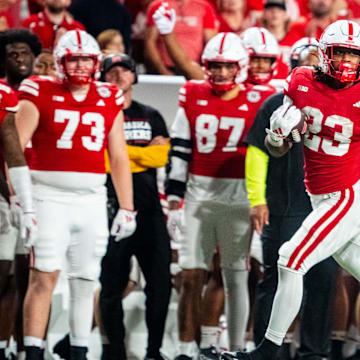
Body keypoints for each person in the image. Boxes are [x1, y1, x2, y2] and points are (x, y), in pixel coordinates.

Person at [220, 19, 360, 360]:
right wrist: (276, 136)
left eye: (354, 55)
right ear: (324, 52)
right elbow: (279, 149)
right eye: (340, 52)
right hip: (319, 195)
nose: (346, 62)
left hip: (345, 193)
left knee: (291, 259)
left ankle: (269, 349)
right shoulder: (301, 81)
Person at [15, 29, 136, 360]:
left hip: (92, 199)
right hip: (47, 196)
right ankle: (34, 352)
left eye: (86, 59)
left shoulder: (109, 95)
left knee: (86, 280)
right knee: (44, 277)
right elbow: (14, 150)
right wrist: (19, 199)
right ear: (59, 62)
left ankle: (80, 350)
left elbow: (119, 155)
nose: (81, 66)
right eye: (74, 59)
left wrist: (128, 207)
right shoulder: (37, 90)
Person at [166, 32, 276, 360]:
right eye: (215, 66)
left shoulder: (261, 98)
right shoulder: (192, 92)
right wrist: (173, 200)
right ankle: (188, 350)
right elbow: (180, 149)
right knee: (190, 274)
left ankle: (237, 349)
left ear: (240, 67)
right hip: (199, 196)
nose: (221, 73)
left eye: (228, 66)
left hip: (240, 196)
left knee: (235, 273)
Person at [244, 37, 338, 360]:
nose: (312, 69)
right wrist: (257, 198)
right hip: (284, 204)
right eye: (306, 62)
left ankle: (313, 351)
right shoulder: (276, 103)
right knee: (277, 276)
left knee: (323, 279)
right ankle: (270, 349)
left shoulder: (340, 101)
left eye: (317, 61)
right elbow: (260, 152)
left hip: (326, 204)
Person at [98, 52, 172, 360]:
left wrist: (120, 154)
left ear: (134, 76)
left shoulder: (151, 113)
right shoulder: (99, 112)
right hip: (110, 208)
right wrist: (140, 153)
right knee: (110, 285)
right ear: (102, 77)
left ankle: (154, 351)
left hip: (150, 211)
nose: (117, 75)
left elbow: (161, 157)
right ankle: (113, 350)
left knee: (160, 284)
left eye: (124, 70)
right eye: (111, 70)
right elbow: (101, 160)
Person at [0, 28, 42, 360]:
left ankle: (20, 347)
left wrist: (26, 197)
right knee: (3, 276)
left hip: (30, 189)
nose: (19, 58)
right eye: (12, 53)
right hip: (8, 191)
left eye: (25, 52)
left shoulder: (41, 92)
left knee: (25, 278)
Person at [145, 0, 218, 75]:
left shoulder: (204, 7)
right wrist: (162, 70)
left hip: (193, 68)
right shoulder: (159, 6)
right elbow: (149, 42)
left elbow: (212, 43)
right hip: (166, 68)